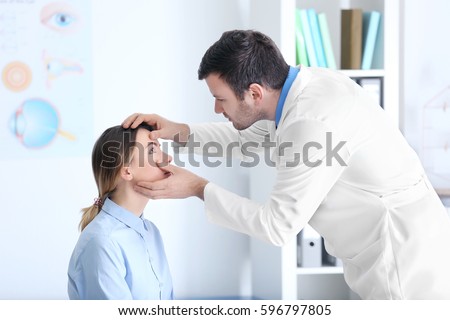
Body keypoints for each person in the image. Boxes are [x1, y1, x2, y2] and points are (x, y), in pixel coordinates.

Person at [122, 30, 450, 299]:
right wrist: (180, 131)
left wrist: (197, 188)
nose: (217, 109)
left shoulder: (312, 121)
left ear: (254, 92)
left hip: (403, 264)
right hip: (393, 246)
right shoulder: (301, 89)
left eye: (221, 99)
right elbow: (249, 139)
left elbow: (276, 225)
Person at [67, 123, 173, 300]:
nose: (168, 158)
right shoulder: (103, 242)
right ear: (126, 171)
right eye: (152, 151)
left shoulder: (151, 232)